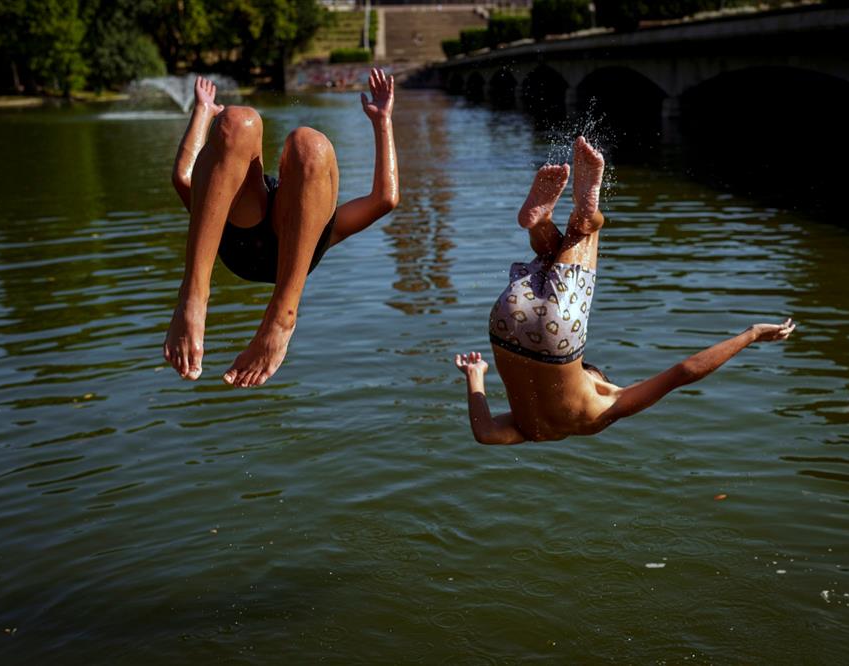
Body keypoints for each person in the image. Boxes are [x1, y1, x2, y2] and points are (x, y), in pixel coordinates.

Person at [454, 136, 796, 444]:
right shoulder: (533, 430)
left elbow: (683, 373)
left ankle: (586, 219)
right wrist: (475, 377)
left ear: (599, 380)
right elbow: (485, 433)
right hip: (506, 323)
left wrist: (750, 335)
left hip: (557, 336)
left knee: (583, 233)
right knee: (550, 257)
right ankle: (541, 224)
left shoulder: (603, 405)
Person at [163, 68, 399, 387]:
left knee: (309, 143)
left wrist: (202, 113)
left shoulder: (315, 222)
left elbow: (183, 175)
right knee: (237, 122)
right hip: (241, 241)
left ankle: (282, 316)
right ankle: (193, 295)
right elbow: (385, 199)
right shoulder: (232, 203)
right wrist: (382, 122)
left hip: (287, 257)